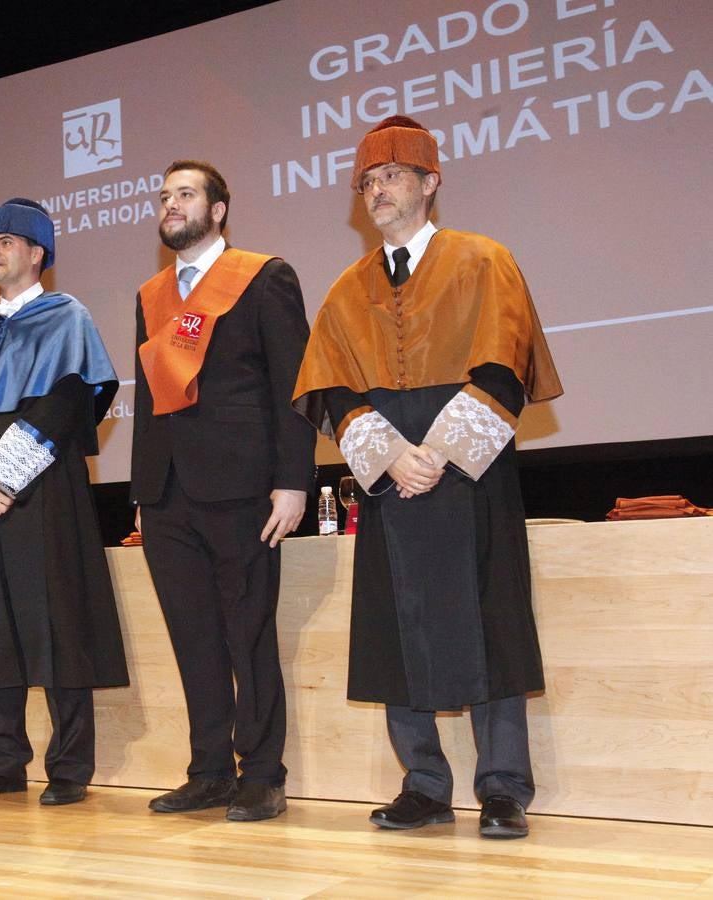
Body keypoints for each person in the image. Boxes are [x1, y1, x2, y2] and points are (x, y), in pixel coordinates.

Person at [292, 116, 563, 839]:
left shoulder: (484, 260)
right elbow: (332, 389)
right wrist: (389, 456)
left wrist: (438, 453)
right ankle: (424, 784)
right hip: (392, 479)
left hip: (471, 472)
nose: (376, 190)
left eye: (391, 176)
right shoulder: (346, 289)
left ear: (430, 182)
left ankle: (502, 787)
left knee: (490, 619)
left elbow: (505, 367)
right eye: (367, 182)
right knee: (396, 623)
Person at [0, 198, 128, 806]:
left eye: (7, 241)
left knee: (57, 621)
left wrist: (0, 479)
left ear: (38, 253)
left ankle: (69, 766)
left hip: (44, 493)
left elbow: (65, 404)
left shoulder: (67, 318)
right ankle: (3, 760)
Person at [131, 160, 315, 821]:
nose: (170, 204)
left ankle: (262, 774)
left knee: (248, 634)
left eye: (184, 194)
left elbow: (294, 385)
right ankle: (208, 771)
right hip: (167, 493)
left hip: (243, 487)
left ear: (218, 210)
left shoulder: (264, 277)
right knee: (194, 638)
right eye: (164, 195)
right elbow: (149, 399)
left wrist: (293, 481)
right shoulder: (150, 295)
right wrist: (143, 491)